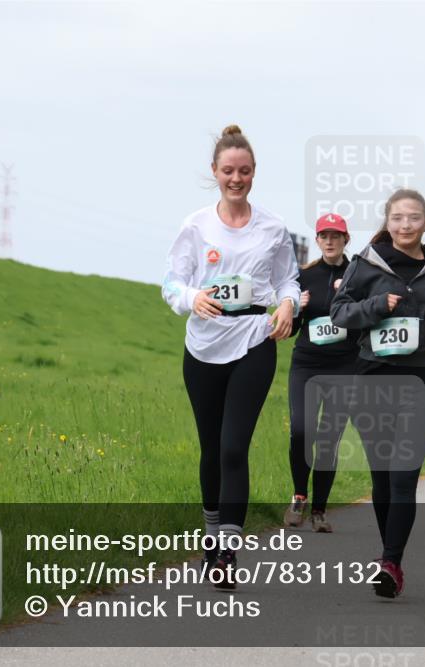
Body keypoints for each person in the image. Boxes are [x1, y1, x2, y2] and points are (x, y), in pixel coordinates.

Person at [162, 125, 300, 588]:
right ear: (214, 172)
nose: (236, 179)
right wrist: (192, 299)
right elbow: (171, 284)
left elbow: (289, 282)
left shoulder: (274, 228)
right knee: (210, 450)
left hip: (254, 339)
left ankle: (226, 551)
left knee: (233, 447)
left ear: (254, 173)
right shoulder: (196, 225)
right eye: (228, 171)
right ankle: (210, 535)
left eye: (244, 171)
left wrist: (287, 305)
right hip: (203, 345)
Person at [330, 188, 425, 598]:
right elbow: (339, 313)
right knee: (383, 479)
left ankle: (391, 562)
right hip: (373, 379)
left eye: (414, 218)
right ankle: (389, 555)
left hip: (421, 381)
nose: (406, 226)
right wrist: (376, 307)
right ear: (388, 221)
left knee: (404, 476)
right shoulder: (367, 264)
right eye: (398, 218)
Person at [284, 213, 360, 533]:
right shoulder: (305, 276)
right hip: (307, 364)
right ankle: (299, 496)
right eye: (323, 236)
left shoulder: (359, 274)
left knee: (329, 438)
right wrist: (298, 309)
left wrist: (352, 299)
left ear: (346, 239)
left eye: (336, 236)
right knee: (302, 430)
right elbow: (291, 330)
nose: (329, 241)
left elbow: (369, 319)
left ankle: (319, 510)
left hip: (344, 367)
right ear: (317, 241)